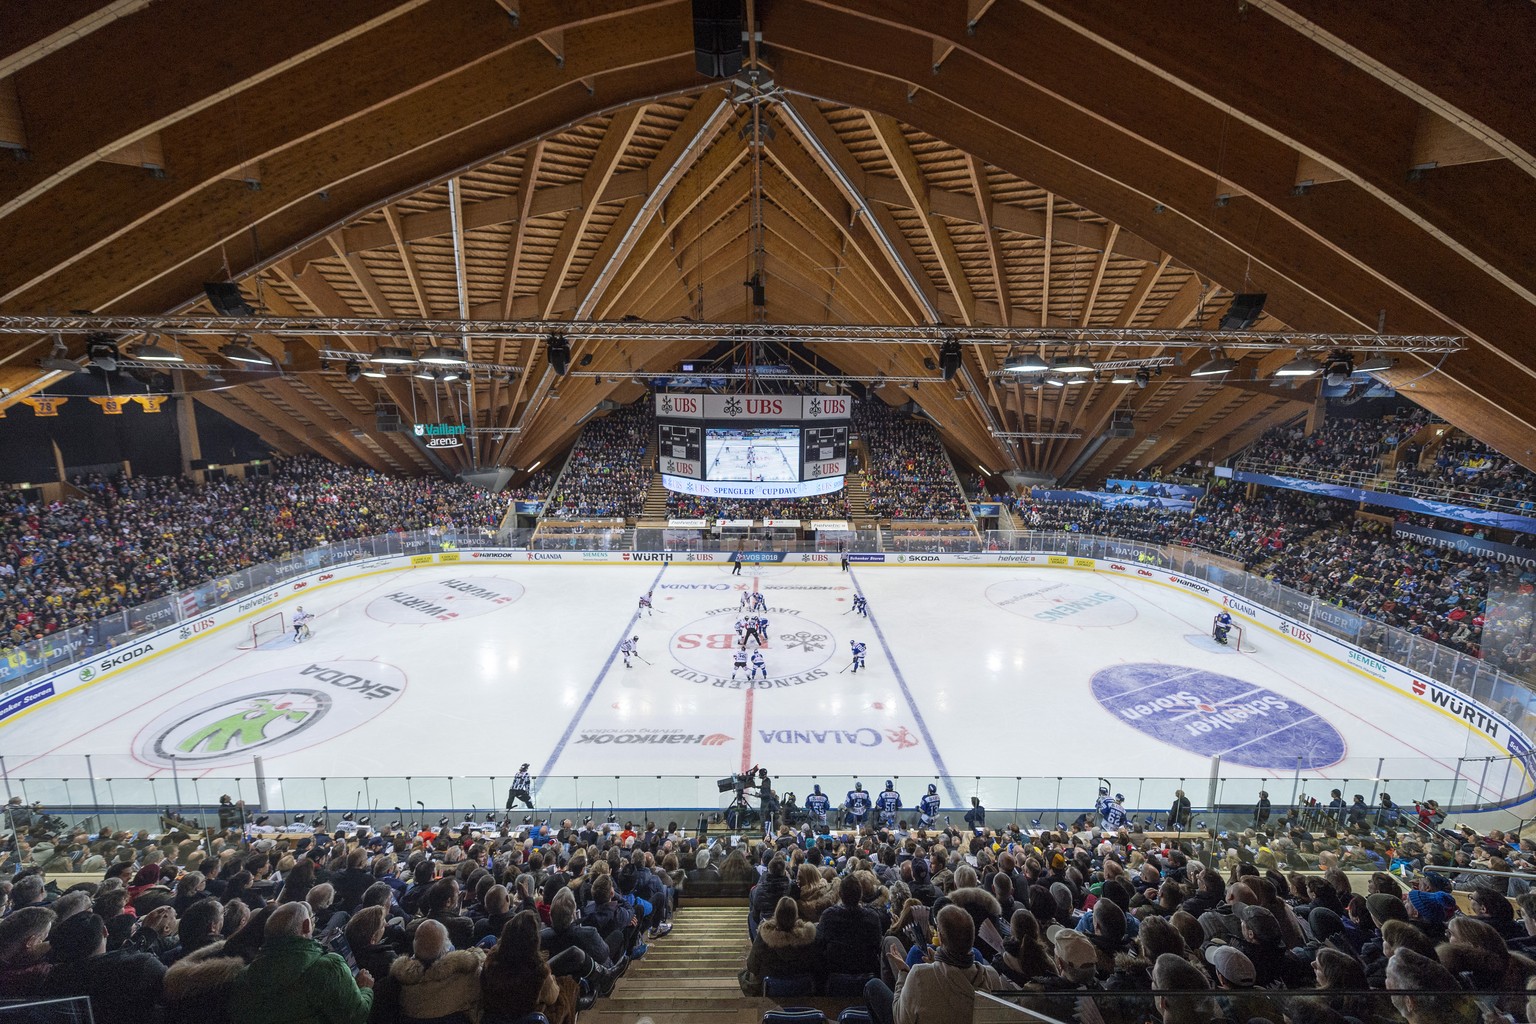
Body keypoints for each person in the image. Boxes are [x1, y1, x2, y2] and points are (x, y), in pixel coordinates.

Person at [230, 902, 373, 1024]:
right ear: (306, 925)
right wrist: (365, 989)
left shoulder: (242, 976)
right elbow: (355, 1017)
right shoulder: (329, 967)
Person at [864, 904, 1001, 1024]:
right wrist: (937, 965)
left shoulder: (919, 975)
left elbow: (900, 1019)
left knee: (873, 986)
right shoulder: (992, 977)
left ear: (940, 938)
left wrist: (903, 973)